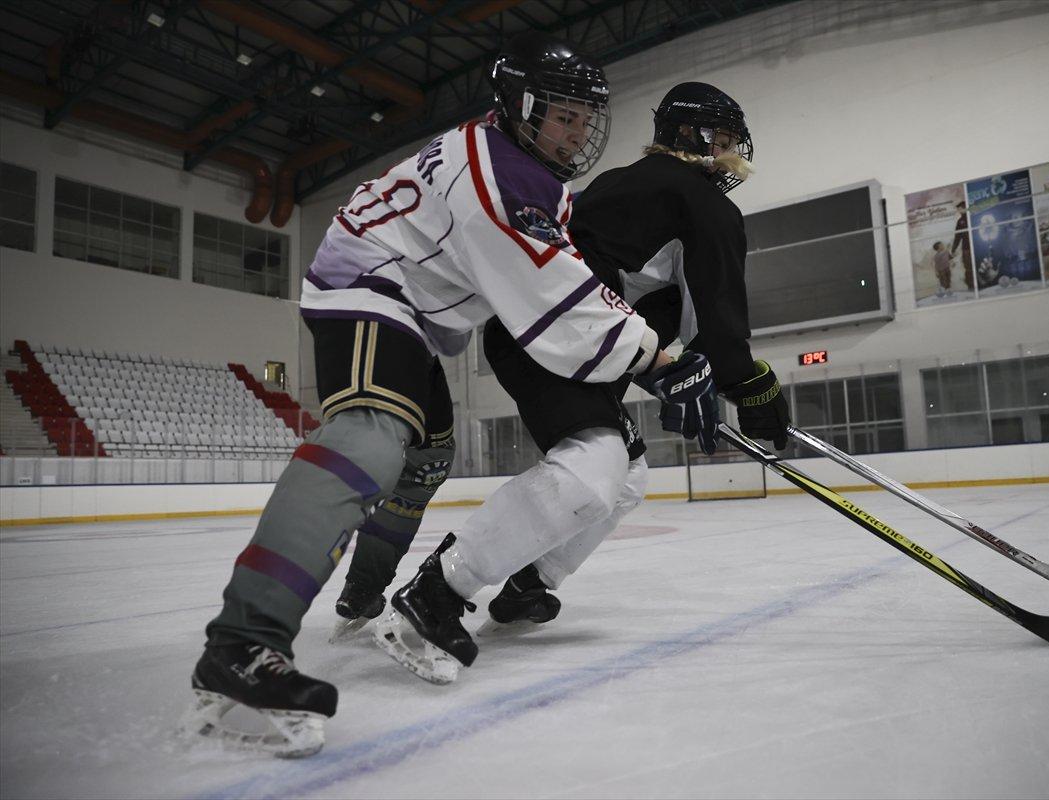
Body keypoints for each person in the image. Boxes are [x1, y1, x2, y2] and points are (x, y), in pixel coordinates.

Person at [179, 31, 719, 757]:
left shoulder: (517, 166)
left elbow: (555, 282)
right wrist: (659, 355)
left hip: (415, 315)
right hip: (369, 288)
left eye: (586, 118)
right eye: (564, 115)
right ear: (520, 106)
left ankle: (359, 595)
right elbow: (557, 304)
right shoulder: (502, 179)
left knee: (427, 457)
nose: (579, 131)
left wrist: (650, 349)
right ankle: (243, 641)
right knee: (372, 437)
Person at [376, 81, 792, 685]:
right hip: (562, 335)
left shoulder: (627, 183)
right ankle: (436, 593)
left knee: (627, 475)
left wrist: (675, 369)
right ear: (687, 136)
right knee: (595, 467)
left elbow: (630, 293)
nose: (730, 153)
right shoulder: (702, 202)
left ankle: (528, 583)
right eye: (721, 139)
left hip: (551, 333)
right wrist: (751, 388)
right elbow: (717, 321)